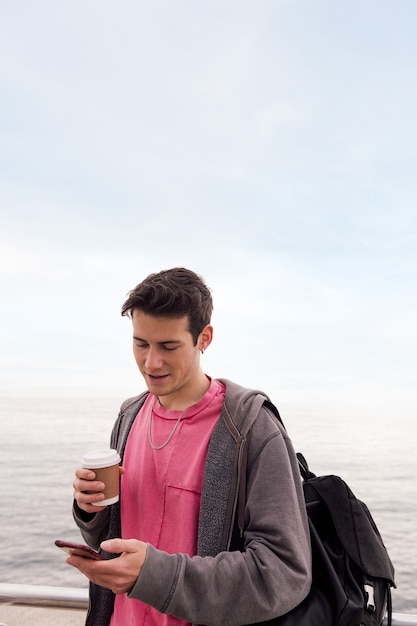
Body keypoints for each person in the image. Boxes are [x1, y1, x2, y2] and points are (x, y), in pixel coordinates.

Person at [69, 267, 311, 626]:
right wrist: (91, 509)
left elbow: (284, 572)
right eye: (141, 344)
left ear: (204, 338)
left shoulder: (252, 429)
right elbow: (112, 537)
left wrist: (154, 576)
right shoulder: (129, 416)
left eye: (168, 346)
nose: (151, 362)